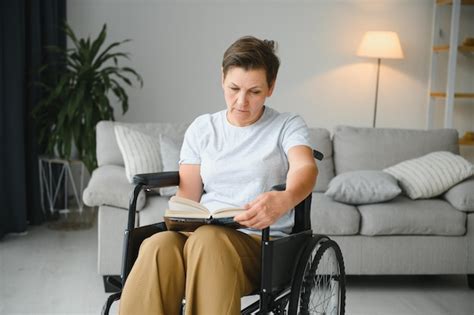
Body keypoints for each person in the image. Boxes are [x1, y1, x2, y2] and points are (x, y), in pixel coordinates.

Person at [119, 35, 318, 315]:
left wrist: (285, 199)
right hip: (201, 235)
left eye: (255, 92)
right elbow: (188, 194)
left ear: (271, 87)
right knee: (158, 244)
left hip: (259, 243)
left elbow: (305, 167)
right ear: (222, 78)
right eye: (233, 88)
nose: (241, 101)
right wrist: (181, 216)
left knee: (208, 240)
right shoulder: (203, 128)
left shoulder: (286, 125)